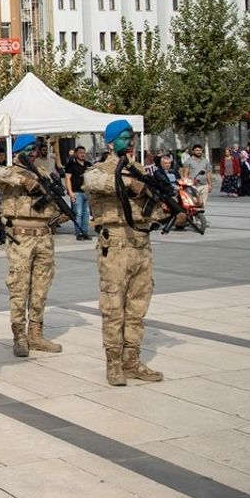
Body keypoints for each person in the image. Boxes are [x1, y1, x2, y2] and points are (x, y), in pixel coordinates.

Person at [84, 120, 164, 386]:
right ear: (110, 142)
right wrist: (130, 183)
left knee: (138, 306)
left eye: (131, 137)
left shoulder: (139, 169)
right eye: (123, 137)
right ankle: (114, 364)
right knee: (113, 306)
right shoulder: (98, 170)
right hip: (116, 245)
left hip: (141, 243)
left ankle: (132, 360)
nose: (129, 142)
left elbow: (153, 204)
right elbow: (97, 183)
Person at [0, 134, 66, 359]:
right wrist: (24, 180)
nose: (33, 152)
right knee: (19, 286)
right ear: (19, 152)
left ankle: (36, 332)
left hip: (44, 236)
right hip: (20, 237)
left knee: (41, 287)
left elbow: (55, 200)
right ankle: (19, 335)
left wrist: (59, 215)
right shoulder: (9, 173)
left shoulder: (43, 174)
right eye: (29, 149)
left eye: (35, 148)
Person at [63, 146, 92, 241]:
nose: (82, 154)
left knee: (86, 213)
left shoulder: (88, 164)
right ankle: (79, 232)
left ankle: (85, 232)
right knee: (78, 213)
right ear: (76, 154)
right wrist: (70, 192)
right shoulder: (71, 165)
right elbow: (67, 179)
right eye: (80, 152)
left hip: (87, 192)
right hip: (76, 192)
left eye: (84, 152)